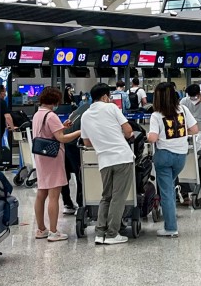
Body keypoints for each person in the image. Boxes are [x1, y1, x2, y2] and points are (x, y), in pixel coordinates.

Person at [79, 83, 135, 245]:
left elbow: (87, 142)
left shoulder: (85, 115)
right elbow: (128, 130)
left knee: (106, 197)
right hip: (122, 158)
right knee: (118, 198)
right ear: (105, 97)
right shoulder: (111, 108)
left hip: (104, 160)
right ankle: (112, 234)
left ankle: (99, 233)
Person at [147, 83, 198, 237]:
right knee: (169, 187)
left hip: (164, 156)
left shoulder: (156, 115)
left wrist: (149, 136)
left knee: (167, 192)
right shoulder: (183, 110)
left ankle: (170, 228)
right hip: (180, 157)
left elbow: (153, 138)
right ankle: (169, 221)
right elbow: (195, 129)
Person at [31, 87, 82, 241]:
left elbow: (47, 132)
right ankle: (53, 232)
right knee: (54, 195)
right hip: (53, 158)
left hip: (41, 156)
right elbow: (61, 138)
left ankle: (41, 229)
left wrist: (63, 127)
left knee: (41, 193)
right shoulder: (51, 115)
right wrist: (78, 132)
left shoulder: (38, 114)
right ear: (54, 101)